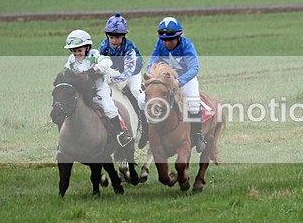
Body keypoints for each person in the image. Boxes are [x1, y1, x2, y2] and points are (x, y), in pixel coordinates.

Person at [63, 29, 132, 147]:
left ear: (87, 48)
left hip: (99, 90)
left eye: (79, 50)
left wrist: (92, 70)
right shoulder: (71, 60)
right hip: (82, 91)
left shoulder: (94, 55)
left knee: (109, 108)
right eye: (74, 51)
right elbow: (66, 71)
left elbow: (107, 62)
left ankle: (121, 133)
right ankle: (65, 137)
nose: (76, 53)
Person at [145, 17, 206, 152]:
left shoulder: (187, 45)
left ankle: (198, 135)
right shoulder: (159, 45)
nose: (167, 43)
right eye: (164, 40)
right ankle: (145, 132)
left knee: (194, 103)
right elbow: (151, 64)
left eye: (171, 39)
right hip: (165, 82)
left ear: (179, 37)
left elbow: (194, 68)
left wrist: (179, 82)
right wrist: (154, 79)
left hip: (185, 81)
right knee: (141, 100)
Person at [98, 13, 149, 148]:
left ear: (123, 36)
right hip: (115, 71)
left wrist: (112, 78)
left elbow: (128, 72)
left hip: (132, 73)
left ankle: (145, 127)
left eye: (118, 37)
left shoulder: (129, 48)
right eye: (111, 37)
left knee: (135, 92)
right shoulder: (103, 46)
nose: (114, 40)